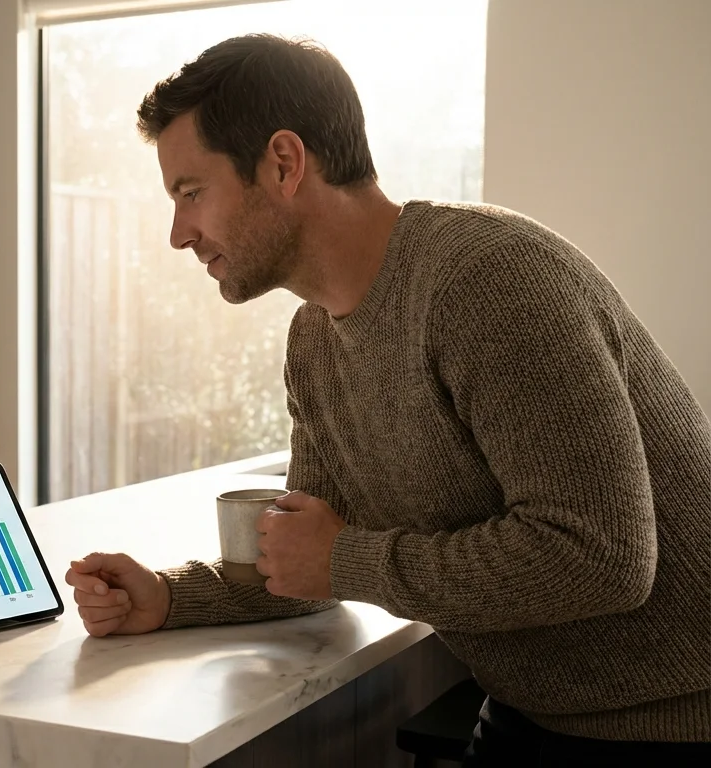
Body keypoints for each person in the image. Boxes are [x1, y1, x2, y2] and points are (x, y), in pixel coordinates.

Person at [62, 33, 711, 764]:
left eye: (190, 194)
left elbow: (602, 557)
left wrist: (345, 559)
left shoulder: (489, 280)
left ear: (284, 163)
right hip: (536, 714)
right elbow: (306, 559)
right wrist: (167, 597)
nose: (179, 234)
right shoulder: (315, 341)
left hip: (678, 723)